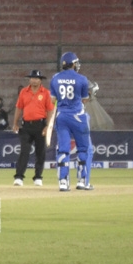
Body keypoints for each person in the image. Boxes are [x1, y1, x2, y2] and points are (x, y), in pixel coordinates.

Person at [50, 51, 94, 191]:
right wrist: (93, 93)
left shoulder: (55, 78)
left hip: (62, 116)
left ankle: (63, 182)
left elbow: (53, 100)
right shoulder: (82, 79)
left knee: (63, 149)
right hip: (78, 116)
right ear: (73, 63)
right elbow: (84, 99)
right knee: (83, 149)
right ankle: (82, 181)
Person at [13, 69, 56, 187]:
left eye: (36, 78)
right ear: (29, 79)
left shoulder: (46, 93)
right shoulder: (23, 92)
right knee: (24, 151)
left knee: (40, 152)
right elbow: (19, 107)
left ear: (40, 80)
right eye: (32, 78)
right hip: (26, 125)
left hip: (40, 125)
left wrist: (48, 126)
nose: (34, 80)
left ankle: (38, 177)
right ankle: (19, 177)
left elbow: (50, 110)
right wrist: (15, 123)